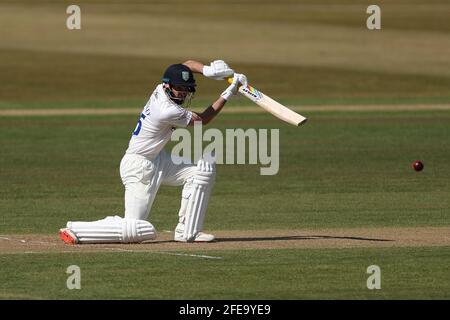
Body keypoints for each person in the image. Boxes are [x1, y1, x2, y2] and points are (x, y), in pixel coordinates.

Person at [59, 60, 247, 244]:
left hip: (158, 159)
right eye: (179, 88)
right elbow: (203, 119)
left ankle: (187, 231)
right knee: (139, 229)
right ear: (168, 86)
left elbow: (185, 65)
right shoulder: (167, 111)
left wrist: (207, 71)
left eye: (186, 89)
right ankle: (77, 229)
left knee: (202, 170)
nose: (183, 93)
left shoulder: (161, 87)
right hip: (138, 167)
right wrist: (228, 93)